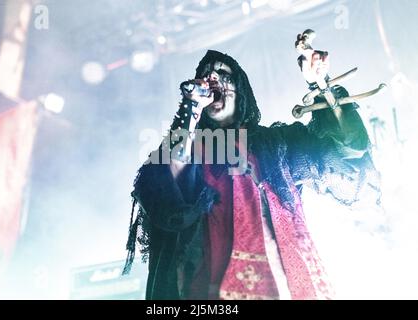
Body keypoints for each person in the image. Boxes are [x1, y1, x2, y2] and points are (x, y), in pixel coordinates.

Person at [123, 49, 379, 300]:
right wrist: (190, 107)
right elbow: (167, 187)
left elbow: (346, 149)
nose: (213, 77)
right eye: (206, 74)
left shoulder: (275, 143)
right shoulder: (191, 146)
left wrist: (320, 83)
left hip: (287, 282)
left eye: (224, 74)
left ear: (241, 89)